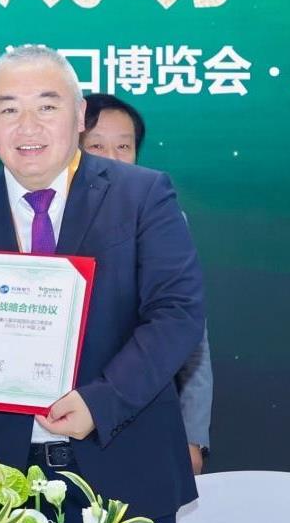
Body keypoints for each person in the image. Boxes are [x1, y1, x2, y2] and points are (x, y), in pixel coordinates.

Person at [0, 45, 205, 523]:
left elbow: (176, 313)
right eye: (9, 110)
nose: (27, 126)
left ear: (79, 116)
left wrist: (102, 401)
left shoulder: (141, 195)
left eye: (46, 106)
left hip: (124, 476)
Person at [81, 92, 215, 476]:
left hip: (142, 416)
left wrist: (192, 436)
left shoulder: (161, 218)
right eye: (96, 146)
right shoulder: (37, 215)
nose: (112, 158)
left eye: (123, 147)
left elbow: (190, 335)